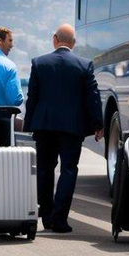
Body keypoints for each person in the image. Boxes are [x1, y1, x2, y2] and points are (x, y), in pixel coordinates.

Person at [24, 24, 103, 233]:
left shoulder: (39, 63)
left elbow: (32, 97)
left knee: (44, 169)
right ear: (73, 43)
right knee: (68, 170)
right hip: (71, 127)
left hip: (45, 126)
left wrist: (29, 124)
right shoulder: (84, 64)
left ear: (54, 39)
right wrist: (98, 124)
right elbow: (93, 97)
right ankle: (60, 219)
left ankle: (47, 216)